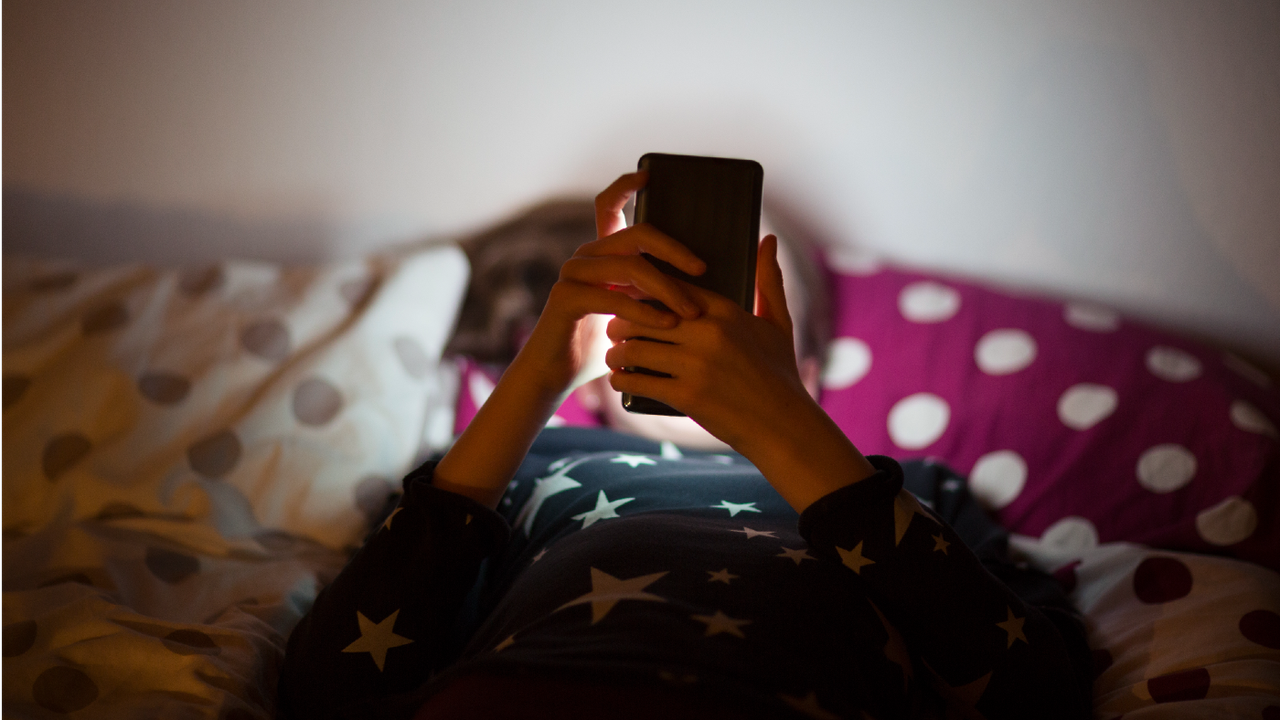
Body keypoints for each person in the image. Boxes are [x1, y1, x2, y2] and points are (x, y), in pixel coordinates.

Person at [278, 172, 1093, 719]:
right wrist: (537, 379)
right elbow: (329, 691)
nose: (699, 320)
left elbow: (1034, 698)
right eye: (655, 298)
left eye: (736, 302)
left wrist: (789, 429)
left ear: (804, 368)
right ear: (600, 367)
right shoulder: (524, 461)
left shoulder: (909, 491)